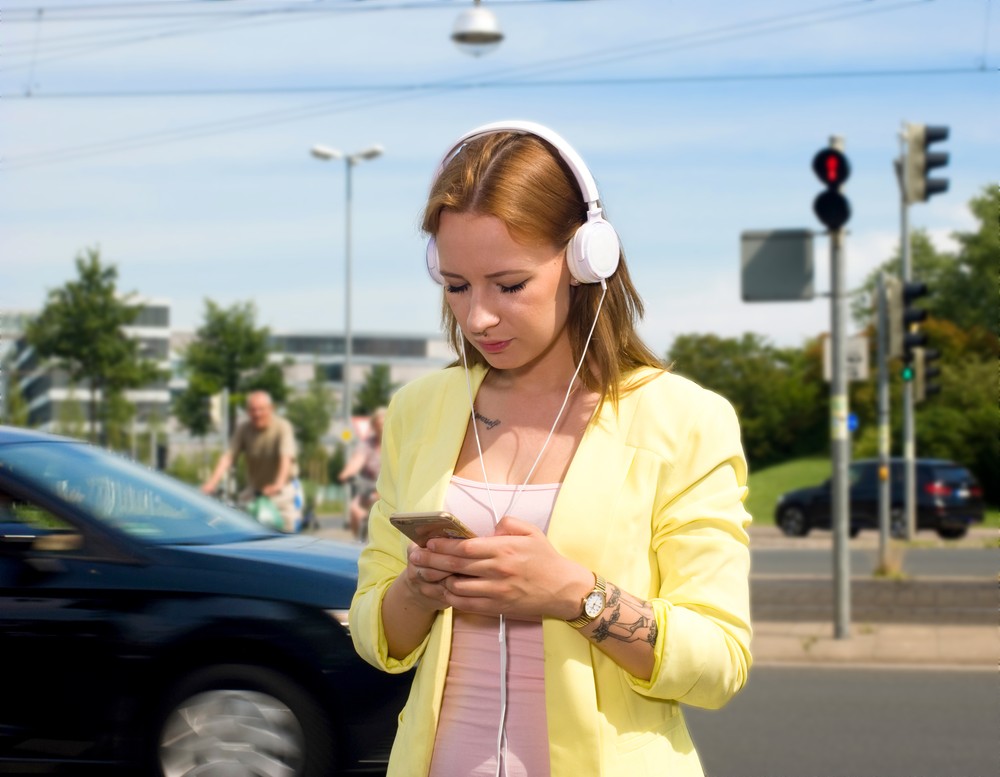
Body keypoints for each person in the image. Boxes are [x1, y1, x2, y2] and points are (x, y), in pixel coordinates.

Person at [349, 120, 752, 777]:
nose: (477, 316)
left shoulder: (685, 421)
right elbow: (374, 634)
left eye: (508, 285)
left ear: (585, 261)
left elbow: (719, 662)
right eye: (456, 285)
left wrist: (577, 595)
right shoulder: (419, 411)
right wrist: (418, 588)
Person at [202, 390, 302, 533]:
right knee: (240, 524)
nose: (257, 414)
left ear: (271, 409)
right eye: (253, 410)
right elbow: (228, 457)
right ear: (248, 412)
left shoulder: (282, 427)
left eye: (261, 409)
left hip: (282, 490)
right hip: (256, 490)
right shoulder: (244, 428)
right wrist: (211, 483)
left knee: (285, 531)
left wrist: (278, 485)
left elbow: (285, 458)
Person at [338, 406, 386, 540]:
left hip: (389, 489)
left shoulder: (395, 443)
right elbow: (357, 460)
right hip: (369, 488)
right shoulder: (367, 444)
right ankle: (357, 543)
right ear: (373, 426)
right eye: (377, 425)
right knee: (355, 510)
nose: (380, 428)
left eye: (383, 424)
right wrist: (346, 473)